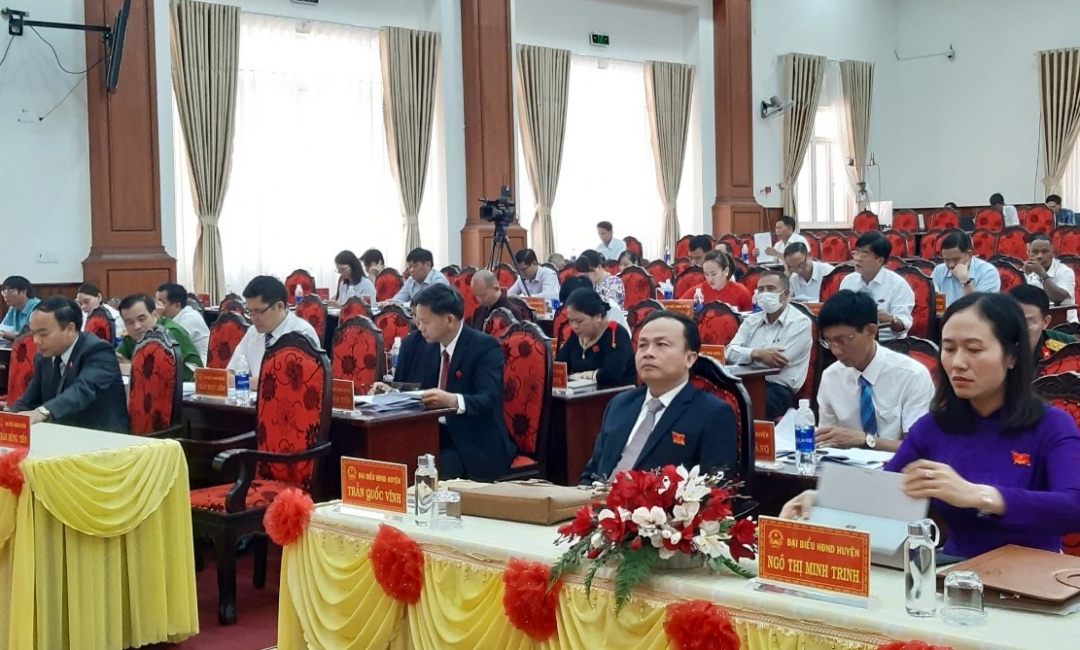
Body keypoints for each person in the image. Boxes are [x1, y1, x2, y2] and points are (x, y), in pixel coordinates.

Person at [784, 293, 1080, 559]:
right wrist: (823, 500)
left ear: (1012, 355)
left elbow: (1073, 506)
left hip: (1033, 575)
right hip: (954, 572)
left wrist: (980, 495)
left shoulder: (1051, 425)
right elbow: (886, 489)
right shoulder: (935, 426)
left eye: (974, 349)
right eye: (949, 349)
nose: (958, 363)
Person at [578, 310, 738, 484]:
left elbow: (714, 489)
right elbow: (591, 474)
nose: (648, 353)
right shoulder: (620, 404)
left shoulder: (712, 414)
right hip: (596, 498)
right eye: (642, 345)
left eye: (661, 344)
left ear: (690, 358)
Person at [392, 284, 515, 481]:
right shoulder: (428, 347)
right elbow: (417, 390)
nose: (420, 327)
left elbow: (489, 399)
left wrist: (452, 401)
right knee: (393, 454)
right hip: (433, 433)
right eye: (418, 320)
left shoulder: (484, 347)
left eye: (425, 321)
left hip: (473, 440)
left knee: (432, 466)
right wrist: (391, 392)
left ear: (449, 319)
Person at [814, 290, 933, 452]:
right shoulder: (831, 377)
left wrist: (866, 440)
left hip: (898, 465)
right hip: (846, 465)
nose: (835, 350)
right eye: (828, 341)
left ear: (871, 331)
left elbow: (919, 447)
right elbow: (826, 442)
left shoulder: (912, 375)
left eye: (842, 340)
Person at [5, 296, 128, 432]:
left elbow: (83, 390)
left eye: (43, 334)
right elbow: (29, 400)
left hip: (101, 435)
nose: (36, 341)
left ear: (69, 328)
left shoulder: (98, 351)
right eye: (34, 334)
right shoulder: (43, 357)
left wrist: (43, 412)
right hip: (60, 433)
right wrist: (7, 415)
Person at [724, 270, 812, 418]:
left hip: (778, 390)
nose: (764, 294)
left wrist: (745, 355)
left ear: (785, 294)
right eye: (761, 289)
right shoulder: (751, 320)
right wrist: (756, 354)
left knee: (734, 409)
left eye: (770, 289)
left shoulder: (800, 323)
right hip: (744, 382)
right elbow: (729, 352)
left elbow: (778, 361)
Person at [227, 276, 320, 385]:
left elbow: (286, 384)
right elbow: (228, 375)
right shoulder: (253, 332)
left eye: (258, 311)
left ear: (279, 306)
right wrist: (254, 383)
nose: (253, 318)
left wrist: (245, 382)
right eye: (250, 312)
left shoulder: (302, 333)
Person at [839, 231, 914, 341]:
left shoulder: (898, 285)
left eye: (864, 254)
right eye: (856, 252)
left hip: (888, 342)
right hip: (854, 342)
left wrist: (891, 319)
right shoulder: (848, 281)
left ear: (879, 260)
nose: (857, 258)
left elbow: (904, 325)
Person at [555, 288, 635, 387]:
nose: (574, 326)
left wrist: (579, 376)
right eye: (571, 321)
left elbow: (612, 374)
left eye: (579, 321)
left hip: (613, 393)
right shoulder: (576, 336)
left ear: (597, 316)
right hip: (578, 393)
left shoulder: (616, 335)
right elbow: (559, 365)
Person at [117, 294, 204, 381]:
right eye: (129, 322)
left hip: (188, 384)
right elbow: (114, 362)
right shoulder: (132, 337)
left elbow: (160, 373)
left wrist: (132, 366)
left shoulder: (170, 332)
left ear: (154, 314)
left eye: (142, 319)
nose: (137, 327)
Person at [1008, 284, 1078, 364]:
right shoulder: (997, 345)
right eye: (1013, 320)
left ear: (1045, 322)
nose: (1020, 329)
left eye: (1028, 323)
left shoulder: (1067, 349)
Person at [931, 230, 1000, 307]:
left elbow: (979, 307)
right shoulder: (939, 271)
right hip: (946, 314)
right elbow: (939, 305)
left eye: (956, 260)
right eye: (946, 260)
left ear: (969, 254)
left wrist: (965, 280)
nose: (951, 265)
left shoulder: (988, 272)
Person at [1023, 232, 1076, 322]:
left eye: (1045, 252)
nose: (1040, 256)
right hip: (1034, 322)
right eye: (1035, 252)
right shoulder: (1024, 271)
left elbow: (1057, 298)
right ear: (1029, 253)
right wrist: (1022, 275)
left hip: (1064, 323)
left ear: (1053, 253)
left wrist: (1042, 274)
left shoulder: (1065, 271)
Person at [155, 282, 211, 364]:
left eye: (161, 302)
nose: (156, 307)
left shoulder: (190, 318)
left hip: (200, 366)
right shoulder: (172, 318)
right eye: (156, 301)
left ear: (177, 306)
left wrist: (156, 317)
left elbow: (164, 343)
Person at [679, 251, 752, 311]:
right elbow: (676, 308)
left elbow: (752, 318)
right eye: (706, 274)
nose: (710, 279)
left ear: (725, 271)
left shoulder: (740, 291)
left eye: (714, 274)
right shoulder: (697, 292)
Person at [0, 276, 40, 341]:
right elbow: (5, 328)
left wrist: (2, 333)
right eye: (3, 291)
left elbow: (31, 336)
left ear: (24, 292)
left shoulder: (38, 307)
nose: (5, 295)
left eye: (10, 290)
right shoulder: (13, 308)